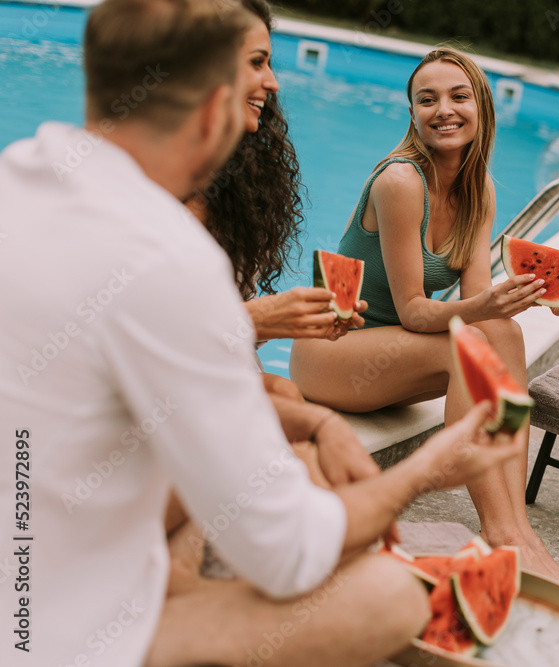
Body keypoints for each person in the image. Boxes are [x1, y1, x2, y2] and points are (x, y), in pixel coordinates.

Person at [0, 2, 520, 666]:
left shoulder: (20, 171)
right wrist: (424, 469)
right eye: (256, 68)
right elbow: (288, 551)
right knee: (388, 596)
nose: (271, 84)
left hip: (39, 556)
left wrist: (316, 426)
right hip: (38, 637)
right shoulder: (167, 260)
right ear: (216, 104)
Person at [289, 46, 559, 586]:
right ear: (412, 113)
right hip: (332, 351)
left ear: (481, 106)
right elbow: (414, 311)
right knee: (473, 343)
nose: (443, 109)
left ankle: (518, 526)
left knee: (505, 332)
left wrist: (544, 295)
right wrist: (488, 307)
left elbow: (479, 299)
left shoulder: (480, 190)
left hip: (393, 356)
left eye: (459, 96)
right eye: (426, 99)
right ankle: (499, 529)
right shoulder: (400, 182)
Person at [184, 0, 362, 401]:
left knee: (289, 400)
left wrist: (291, 320)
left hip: (218, 368)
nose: (273, 82)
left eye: (269, 63)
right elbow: (145, 334)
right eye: (257, 62)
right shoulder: (147, 185)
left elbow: (225, 328)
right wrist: (262, 318)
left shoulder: (240, 188)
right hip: (159, 385)